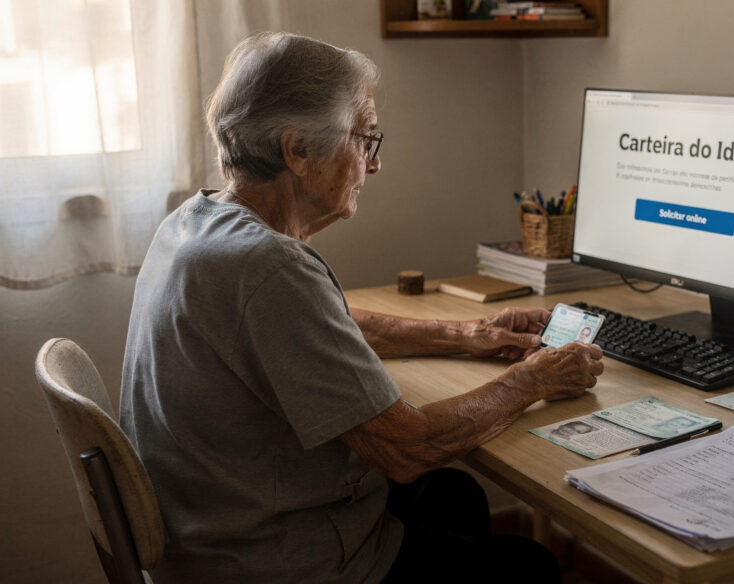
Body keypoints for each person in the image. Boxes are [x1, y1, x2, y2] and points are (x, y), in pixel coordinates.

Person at [119, 32, 604, 584]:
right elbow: (409, 448)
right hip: (269, 563)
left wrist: (468, 333)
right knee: (528, 565)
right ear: (297, 150)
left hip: (210, 531)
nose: (373, 164)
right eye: (364, 137)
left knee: (453, 493)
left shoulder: (195, 223)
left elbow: (328, 328)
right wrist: (532, 380)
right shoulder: (269, 269)